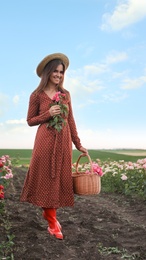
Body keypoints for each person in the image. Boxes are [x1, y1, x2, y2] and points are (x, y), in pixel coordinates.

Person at [20, 53, 88, 240]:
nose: (59, 75)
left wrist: (78, 144)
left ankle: (50, 216)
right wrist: (48, 114)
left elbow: (71, 120)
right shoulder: (36, 95)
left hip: (64, 141)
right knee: (45, 178)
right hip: (45, 141)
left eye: (61, 72)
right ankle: (52, 222)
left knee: (57, 179)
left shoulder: (66, 95)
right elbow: (30, 120)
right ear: (48, 73)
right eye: (55, 71)